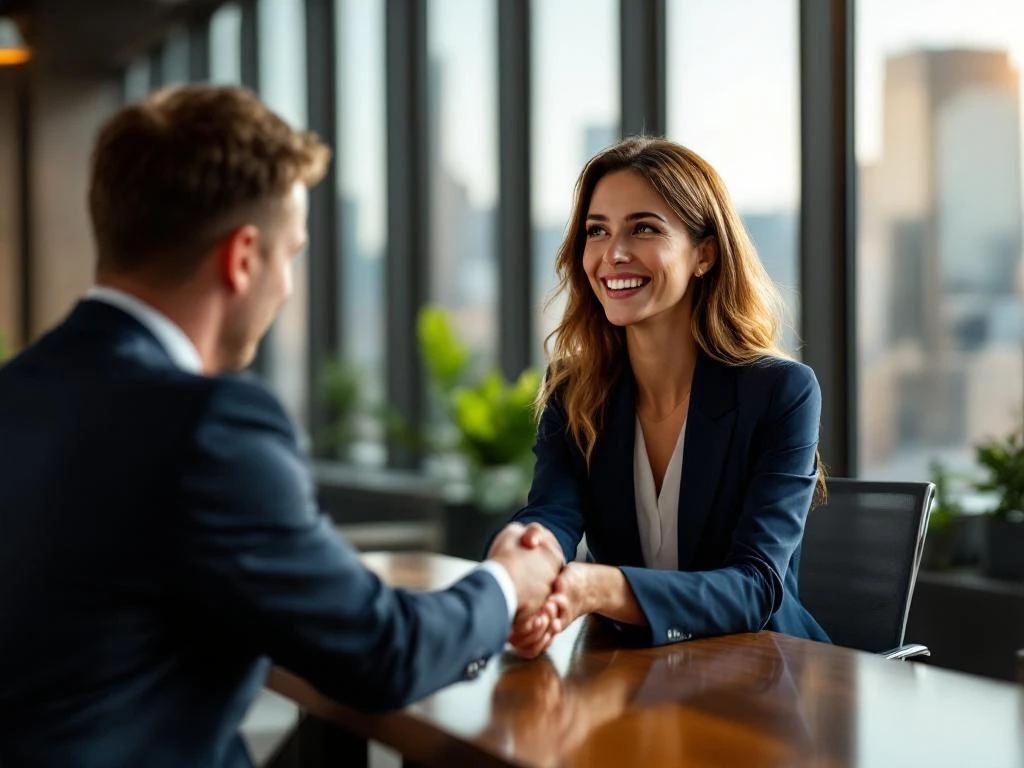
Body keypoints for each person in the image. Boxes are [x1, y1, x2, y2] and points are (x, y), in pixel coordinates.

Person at [0, 85, 561, 768]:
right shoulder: (207, 426)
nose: (289, 286)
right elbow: (383, 651)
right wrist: (507, 581)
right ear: (242, 258)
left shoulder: (18, 391)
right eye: (290, 254)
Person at [492, 137, 830, 657]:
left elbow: (756, 587)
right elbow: (552, 514)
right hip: (634, 669)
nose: (613, 254)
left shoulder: (781, 392)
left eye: (644, 228)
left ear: (704, 254)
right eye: (597, 231)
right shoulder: (575, 389)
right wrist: (523, 561)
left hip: (766, 670)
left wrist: (599, 588)